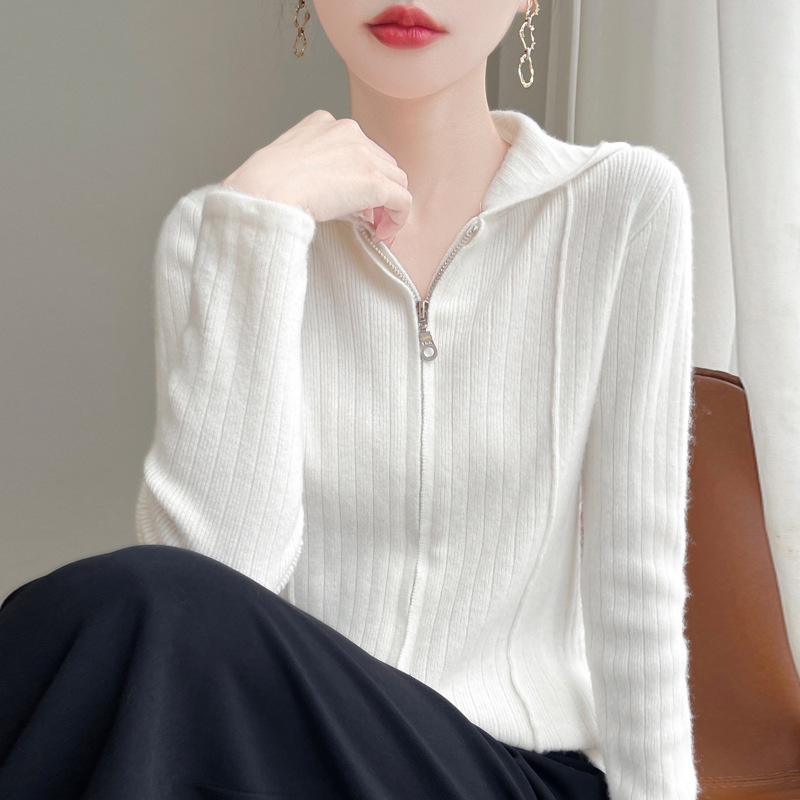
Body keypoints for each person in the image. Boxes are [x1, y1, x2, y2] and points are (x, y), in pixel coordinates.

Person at [0, 1, 700, 799]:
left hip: (505, 775)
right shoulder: (223, 234)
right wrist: (260, 228)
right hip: (292, 758)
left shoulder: (624, 206)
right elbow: (211, 603)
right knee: (118, 625)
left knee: (117, 607)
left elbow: (636, 583)